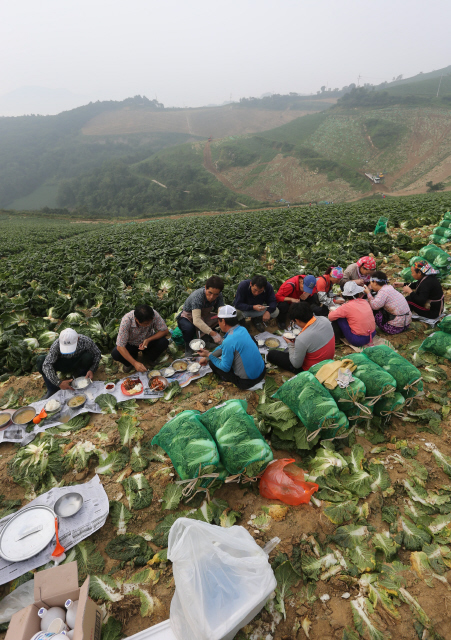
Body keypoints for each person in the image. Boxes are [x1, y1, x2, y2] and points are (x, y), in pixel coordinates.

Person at [198, 305, 265, 389]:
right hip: (262, 372)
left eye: (218, 321)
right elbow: (223, 346)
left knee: (213, 363)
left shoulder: (229, 341)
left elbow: (225, 368)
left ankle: (225, 378)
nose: (218, 323)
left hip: (247, 382)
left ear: (223, 321)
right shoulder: (242, 329)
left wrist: (209, 355)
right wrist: (207, 356)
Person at [267, 302, 335, 373]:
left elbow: (296, 365)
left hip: (313, 371)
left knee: (272, 354)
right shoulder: (325, 320)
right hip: (328, 362)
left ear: (297, 320)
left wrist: (290, 344)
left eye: (294, 322)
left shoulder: (302, 338)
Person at [36, 328, 101, 399]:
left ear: (78, 339)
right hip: (63, 364)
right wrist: (58, 383)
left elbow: (97, 353)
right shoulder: (56, 345)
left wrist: (92, 369)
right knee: (41, 360)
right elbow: (47, 365)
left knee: (88, 356)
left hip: (78, 362)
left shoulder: (85, 341)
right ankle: (52, 390)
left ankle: (81, 377)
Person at [112, 304, 169, 373]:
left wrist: (148, 339)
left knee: (164, 342)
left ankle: (149, 357)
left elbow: (165, 331)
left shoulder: (153, 315)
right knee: (116, 353)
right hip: (131, 344)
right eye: (145, 323)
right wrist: (135, 363)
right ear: (136, 320)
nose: (148, 325)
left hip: (148, 340)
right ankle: (130, 363)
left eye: (150, 322)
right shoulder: (126, 321)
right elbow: (120, 347)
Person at [178, 275, 225, 355]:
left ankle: (206, 341)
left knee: (218, 319)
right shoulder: (198, 296)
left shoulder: (219, 295)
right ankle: (188, 348)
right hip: (188, 316)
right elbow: (197, 320)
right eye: (209, 293)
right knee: (188, 328)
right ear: (206, 287)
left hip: (204, 315)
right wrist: (213, 333)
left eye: (215, 294)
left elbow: (221, 311)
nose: (211, 297)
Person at [328, 281, 376, 347]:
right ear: (359, 294)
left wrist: (331, 311)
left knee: (339, 317)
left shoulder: (346, 306)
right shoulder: (365, 301)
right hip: (372, 334)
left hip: (358, 340)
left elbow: (330, 317)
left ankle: (337, 339)